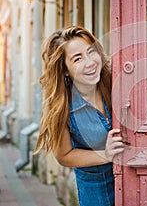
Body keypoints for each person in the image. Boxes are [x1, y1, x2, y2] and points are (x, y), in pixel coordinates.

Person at [34, 26, 125, 206]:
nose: (90, 62)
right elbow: (64, 155)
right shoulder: (61, 106)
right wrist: (105, 155)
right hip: (96, 190)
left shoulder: (117, 77)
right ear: (65, 70)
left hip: (134, 178)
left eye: (91, 52)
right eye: (78, 59)